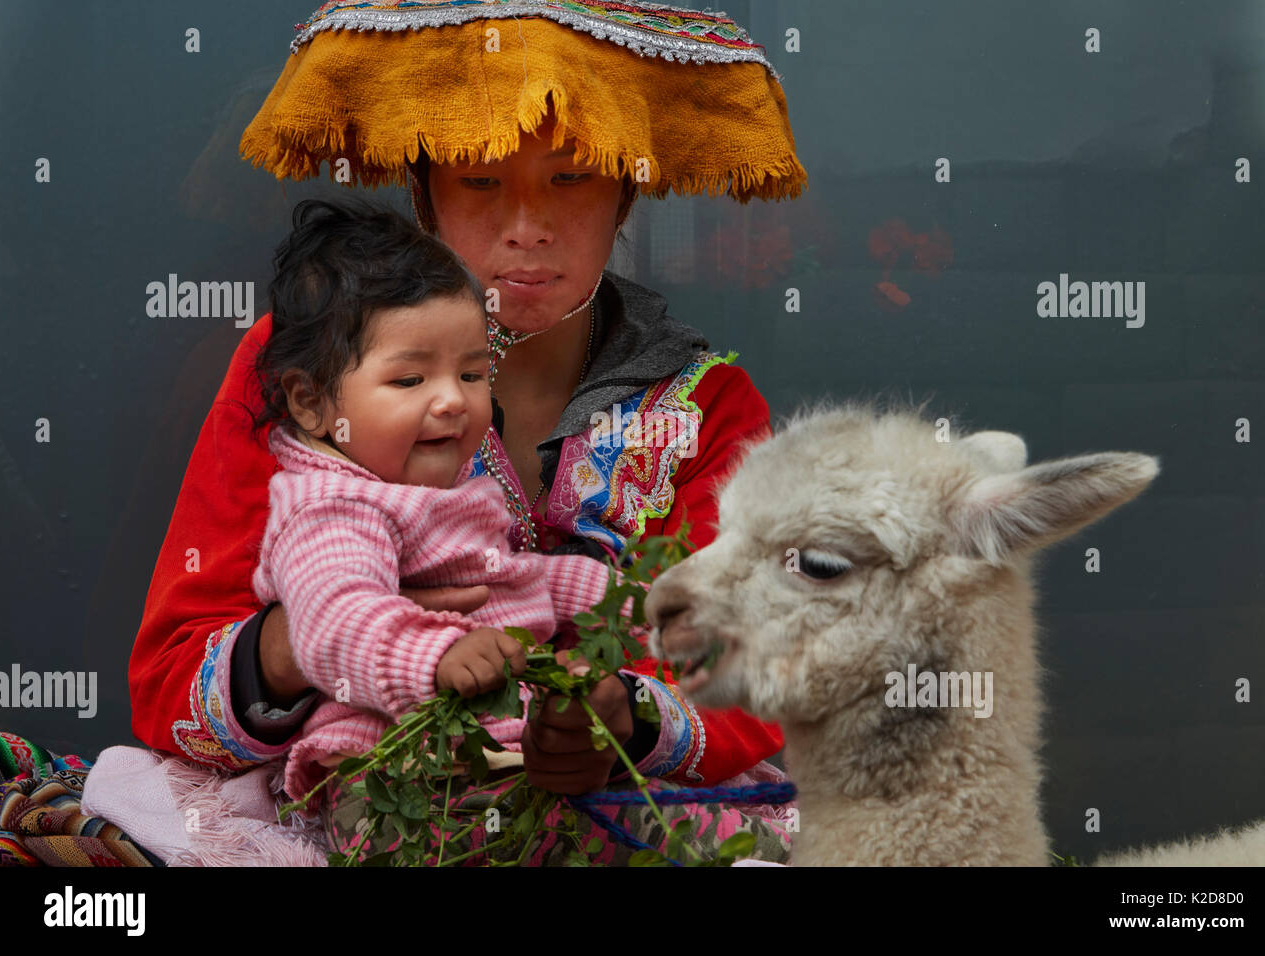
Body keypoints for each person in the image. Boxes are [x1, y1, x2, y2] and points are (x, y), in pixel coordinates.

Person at [119, 0, 808, 864]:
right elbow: (168, 677)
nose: (527, 226)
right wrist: (318, 637)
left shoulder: (708, 410)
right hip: (347, 809)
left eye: (570, 177)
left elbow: (756, 669)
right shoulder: (299, 367)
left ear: (626, 188)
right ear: (423, 189)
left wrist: (622, 719)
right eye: (481, 182)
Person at [248, 196, 638, 810]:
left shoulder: (443, 492)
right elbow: (333, 618)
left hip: (497, 751)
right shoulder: (334, 507)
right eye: (410, 380)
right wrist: (435, 657)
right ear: (311, 402)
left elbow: (517, 579)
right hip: (394, 771)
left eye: (473, 375)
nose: (453, 401)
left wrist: (633, 605)